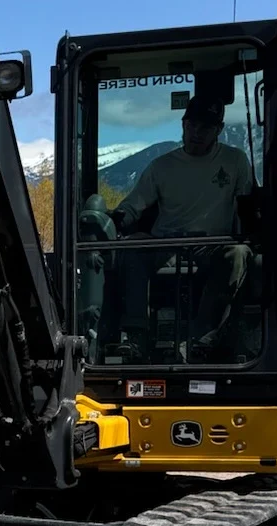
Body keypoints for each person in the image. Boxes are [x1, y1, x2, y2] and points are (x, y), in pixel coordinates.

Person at [107, 95, 255, 356]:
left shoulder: (235, 161)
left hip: (211, 245)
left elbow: (247, 208)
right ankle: (135, 338)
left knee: (238, 254)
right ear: (183, 125)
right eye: (192, 126)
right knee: (132, 249)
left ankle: (200, 339)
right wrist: (117, 220)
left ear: (219, 130)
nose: (197, 133)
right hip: (167, 243)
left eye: (206, 128)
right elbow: (132, 206)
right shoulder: (161, 167)